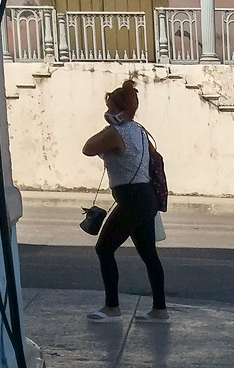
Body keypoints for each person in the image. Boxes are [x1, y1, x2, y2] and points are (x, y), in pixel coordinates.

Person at [82, 80, 168, 322]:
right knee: (149, 254)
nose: (107, 112)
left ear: (120, 110)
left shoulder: (115, 133)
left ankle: (112, 307)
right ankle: (160, 310)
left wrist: (109, 126)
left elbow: (87, 148)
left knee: (104, 248)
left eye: (110, 108)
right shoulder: (141, 132)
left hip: (131, 200)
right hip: (145, 198)